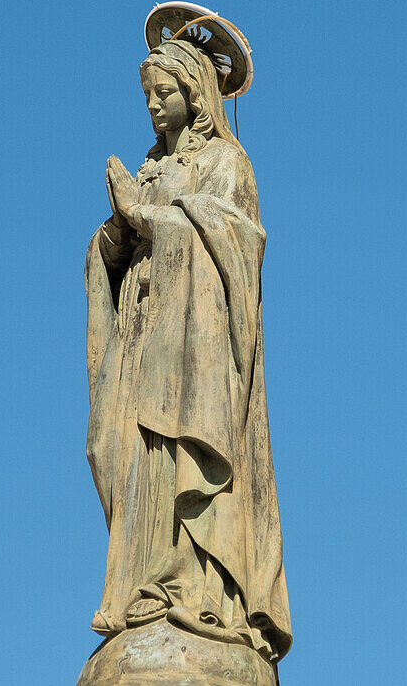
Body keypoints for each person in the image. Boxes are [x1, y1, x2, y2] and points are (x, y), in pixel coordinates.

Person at [84, 38, 292, 664]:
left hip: (194, 352)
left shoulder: (226, 163)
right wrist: (117, 233)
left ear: (196, 97)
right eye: (147, 94)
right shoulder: (151, 169)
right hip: (144, 331)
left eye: (165, 93)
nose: (153, 105)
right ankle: (139, 586)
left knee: (185, 455)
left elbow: (238, 245)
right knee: (121, 450)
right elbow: (114, 257)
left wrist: (154, 220)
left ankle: (199, 588)